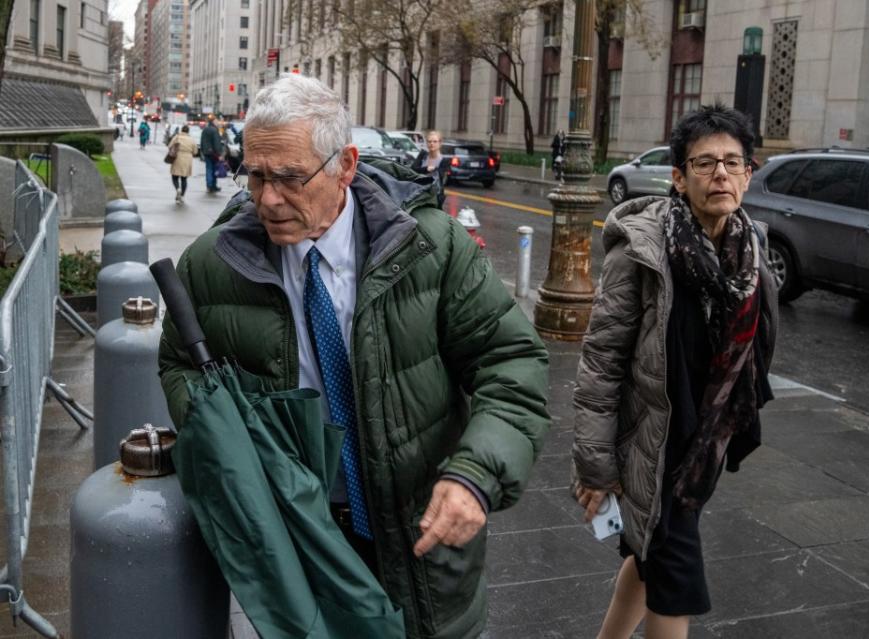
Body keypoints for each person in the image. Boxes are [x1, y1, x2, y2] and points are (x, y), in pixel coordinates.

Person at [157, 74, 550, 638]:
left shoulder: (430, 247)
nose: (268, 198)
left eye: (290, 178)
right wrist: (220, 436)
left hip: (424, 540)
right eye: (257, 174)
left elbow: (510, 361)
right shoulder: (211, 263)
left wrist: (475, 474)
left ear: (344, 165)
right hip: (300, 540)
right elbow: (177, 363)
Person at [572, 104, 778, 639]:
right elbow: (602, 361)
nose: (721, 175)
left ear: (749, 175)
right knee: (677, 579)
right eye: (705, 163)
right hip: (649, 441)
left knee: (648, 562)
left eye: (734, 163)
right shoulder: (642, 251)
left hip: (702, 444)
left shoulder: (751, 251)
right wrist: (595, 464)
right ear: (679, 178)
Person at [412, 130, 450, 206]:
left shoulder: (444, 161)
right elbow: (413, 169)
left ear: (440, 143)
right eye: (429, 141)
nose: (432, 144)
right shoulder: (423, 155)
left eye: (435, 141)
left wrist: (426, 171)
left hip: (434, 199)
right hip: (417, 195)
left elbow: (439, 177)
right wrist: (426, 169)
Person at [167, 124, 199, 204]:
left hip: (177, 157)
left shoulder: (177, 137)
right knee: (184, 178)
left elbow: (169, 146)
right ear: (188, 131)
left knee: (174, 176)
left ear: (182, 130)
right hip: (187, 159)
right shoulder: (191, 140)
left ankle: (178, 188)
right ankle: (182, 196)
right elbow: (195, 152)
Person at [200, 118, 224, 192]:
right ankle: (213, 186)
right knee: (214, 169)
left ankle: (209, 185)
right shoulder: (214, 130)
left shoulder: (205, 129)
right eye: (216, 121)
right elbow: (217, 143)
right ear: (213, 122)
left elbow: (202, 141)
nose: (218, 122)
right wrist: (219, 154)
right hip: (214, 154)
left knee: (208, 169)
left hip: (207, 153)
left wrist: (203, 151)